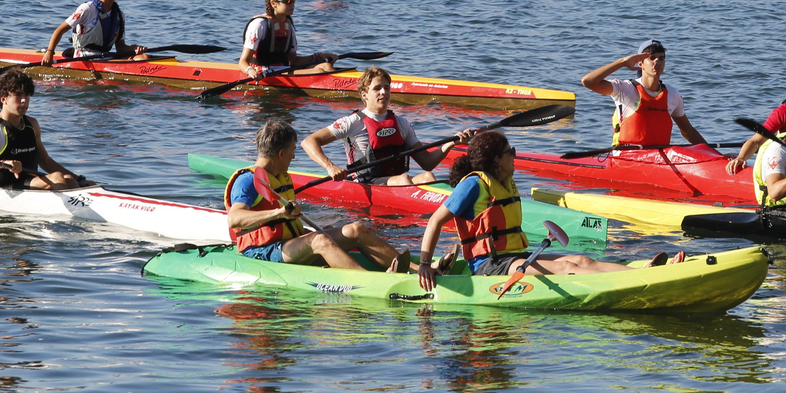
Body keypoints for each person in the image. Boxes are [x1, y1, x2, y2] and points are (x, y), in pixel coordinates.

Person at [416, 131, 682, 291]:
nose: (515, 156)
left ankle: (644, 271)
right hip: (490, 266)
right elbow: (435, 221)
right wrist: (425, 265)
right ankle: (635, 281)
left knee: (581, 259)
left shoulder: (503, 181)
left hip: (513, 256)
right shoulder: (474, 185)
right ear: (497, 160)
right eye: (512, 152)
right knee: (565, 266)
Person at [228, 119, 409, 270]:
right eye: (292, 151)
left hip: (288, 243)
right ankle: (371, 281)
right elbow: (234, 219)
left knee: (356, 229)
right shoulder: (247, 180)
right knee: (319, 240)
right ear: (281, 154)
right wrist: (279, 213)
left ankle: (416, 270)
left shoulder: (280, 177)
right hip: (262, 251)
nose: (293, 157)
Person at [301, 67, 469, 186]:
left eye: (386, 88)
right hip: (365, 184)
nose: (384, 92)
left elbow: (426, 163)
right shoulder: (352, 122)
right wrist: (330, 167)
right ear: (364, 95)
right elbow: (308, 142)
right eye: (377, 88)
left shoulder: (402, 123)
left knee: (428, 176)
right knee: (403, 179)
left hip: (397, 181)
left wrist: (450, 144)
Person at [0, 69, 91, 190]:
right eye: (18, 95)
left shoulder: (32, 124)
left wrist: (80, 180)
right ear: (3, 98)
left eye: (26, 94)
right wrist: (3, 164)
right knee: (57, 177)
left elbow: (45, 161)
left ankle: (82, 206)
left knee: (68, 178)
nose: (24, 100)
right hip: (5, 187)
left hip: (29, 183)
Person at [581, 40, 709, 149]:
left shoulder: (673, 95)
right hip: (626, 157)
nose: (657, 61)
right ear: (640, 63)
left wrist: (714, 155)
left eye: (661, 58)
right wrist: (623, 61)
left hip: (659, 158)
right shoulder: (625, 89)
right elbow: (588, 82)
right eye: (651, 58)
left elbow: (687, 131)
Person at [43, 0, 147, 64]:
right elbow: (60, 30)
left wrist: (133, 48)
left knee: (143, 57)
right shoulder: (87, 9)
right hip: (84, 58)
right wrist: (50, 52)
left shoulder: (119, 15)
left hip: (105, 57)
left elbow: (120, 47)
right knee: (142, 60)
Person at [239, 0, 337, 79]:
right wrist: (250, 70)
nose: (292, 5)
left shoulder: (288, 25)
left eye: (293, 0)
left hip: (283, 69)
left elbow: (293, 61)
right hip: (262, 72)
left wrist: (318, 57)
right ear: (274, 3)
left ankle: (343, 84)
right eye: (287, 1)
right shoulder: (259, 24)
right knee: (318, 71)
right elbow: (243, 62)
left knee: (326, 66)